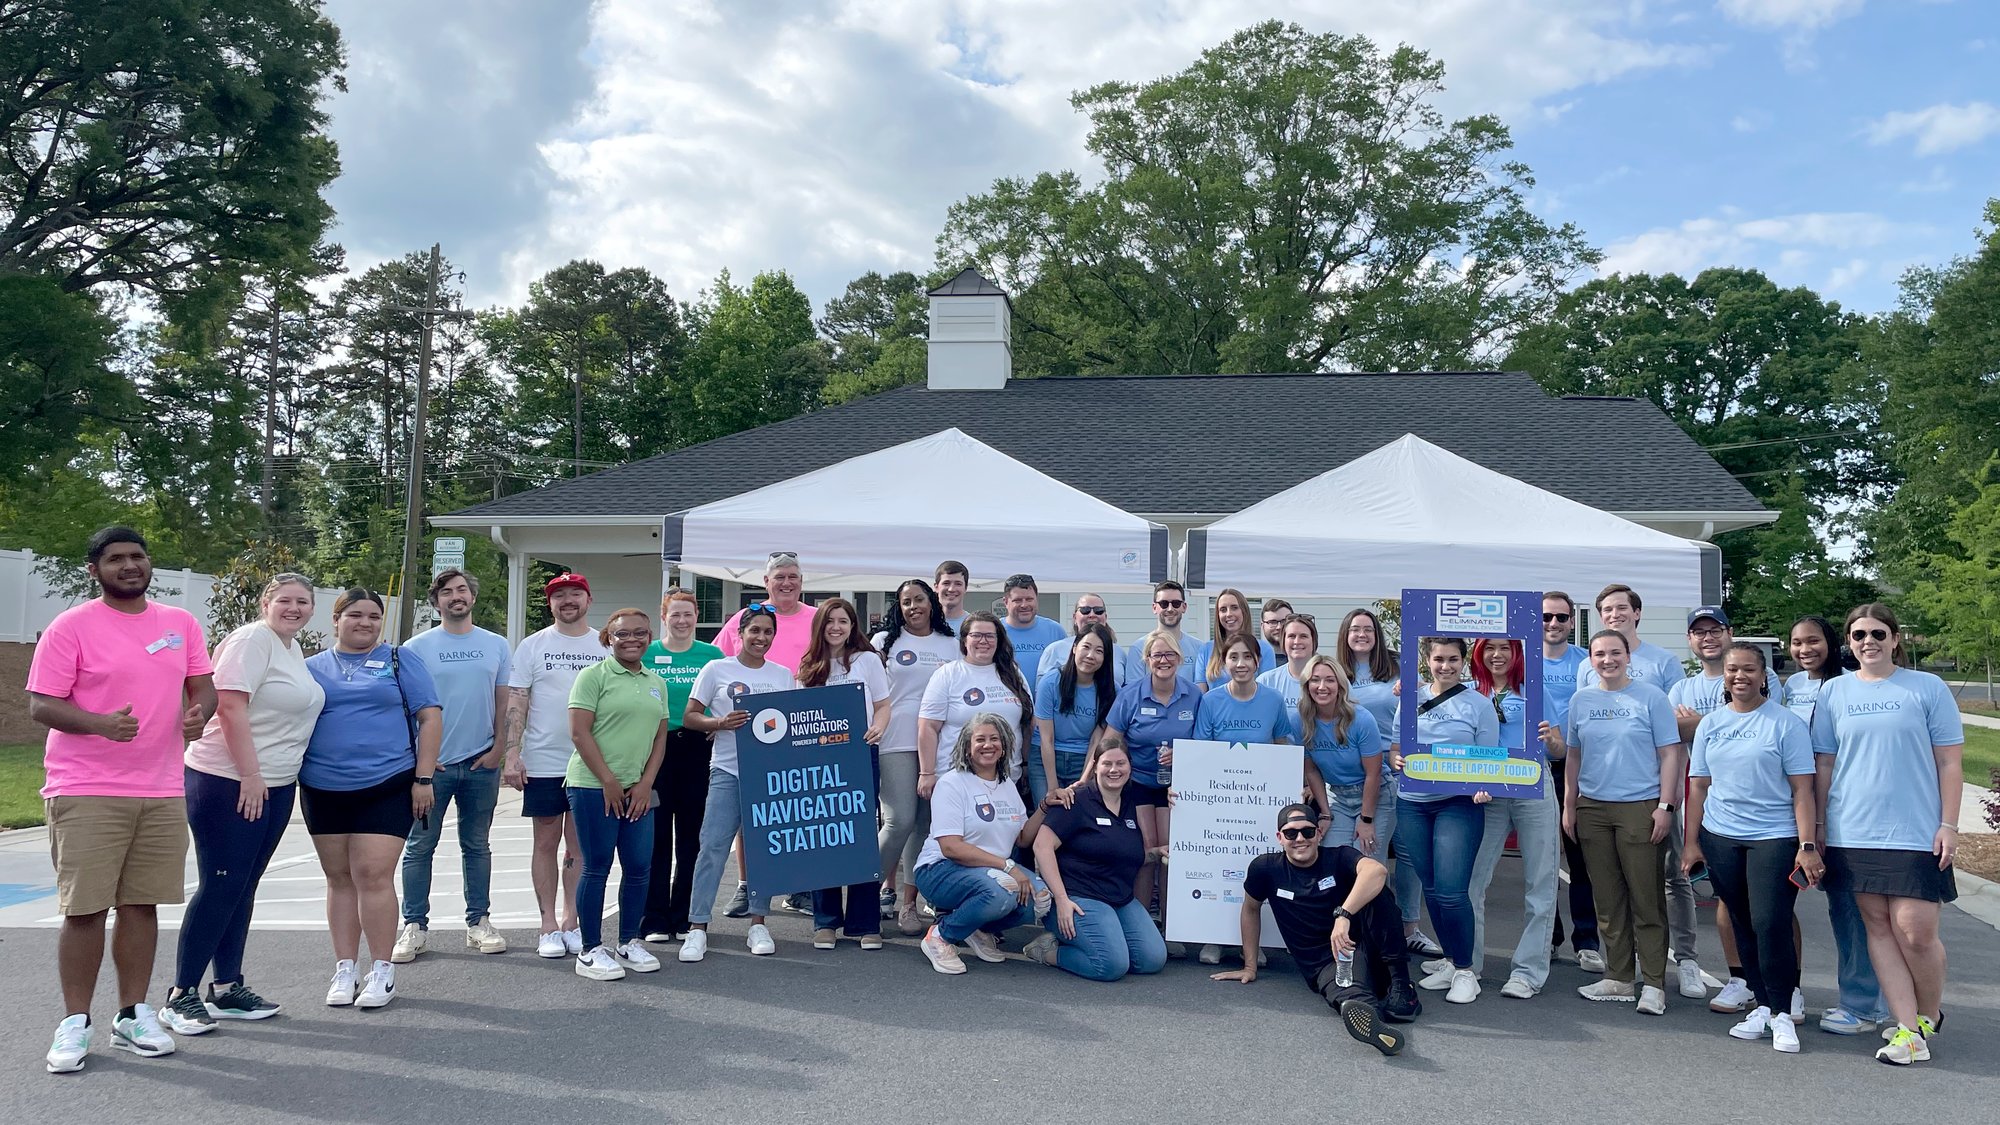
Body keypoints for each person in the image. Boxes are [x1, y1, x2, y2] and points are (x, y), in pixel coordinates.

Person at [28, 527, 217, 1072]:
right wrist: (98, 724)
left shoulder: (179, 624)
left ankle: (133, 1015)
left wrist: (199, 713)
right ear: (95, 570)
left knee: (141, 905)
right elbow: (42, 705)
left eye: (137, 556)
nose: (130, 565)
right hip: (85, 787)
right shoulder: (72, 627)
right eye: (116, 559)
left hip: (161, 788)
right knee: (84, 909)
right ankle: (74, 1025)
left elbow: (200, 685)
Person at [163, 573, 324, 1036]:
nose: (294, 608)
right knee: (221, 882)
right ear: (265, 602)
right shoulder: (252, 640)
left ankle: (228, 987)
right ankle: (181, 995)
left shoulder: (289, 648)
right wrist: (250, 776)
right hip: (227, 780)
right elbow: (230, 707)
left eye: (303, 601)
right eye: (285, 600)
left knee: (244, 884)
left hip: (275, 783)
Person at [1810, 604, 1964, 1066]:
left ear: (1895, 639)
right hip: (1852, 829)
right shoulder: (1835, 692)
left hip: (1916, 830)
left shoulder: (1927, 688)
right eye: (1858, 635)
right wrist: (1818, 827)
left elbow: (1949, 762)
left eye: (1878, 633)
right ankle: (1906, 1031)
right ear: (1849, 642)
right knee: (1876, 927)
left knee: (1915, 932)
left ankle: (1927, 1016)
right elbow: (1824, 764)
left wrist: (1949, 824)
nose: (1868, 642)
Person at [301, 589, 442, 1011]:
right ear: (336, 619)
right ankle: (346, 968)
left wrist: (424, 777)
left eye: (374, 616)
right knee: (338, 877)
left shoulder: (400, 660)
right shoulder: (309, 667)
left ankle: (382, 969)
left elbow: (430, 717)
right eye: (355, 615)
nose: (365, 622)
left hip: (387, 781)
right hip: (321, 785)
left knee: (372, 874)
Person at [1683, 643, 1819, 1053]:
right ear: (1723, 676)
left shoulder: (1786, 724)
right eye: (1731, 670)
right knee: (1741, 921)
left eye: (1747, 669)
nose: (1739, 676)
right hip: (1721, 835)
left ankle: (1782, 1014)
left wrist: (1807, 844)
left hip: (1774, 837)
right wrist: (1691, 842)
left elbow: (1802, 789)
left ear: (1763, 676)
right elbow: (1699, 786)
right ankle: (1761, 1006)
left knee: (1770, 922)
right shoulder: (1711, 724)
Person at [1210, 804, 1422, 1057]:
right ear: (1280, 838)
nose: (1300, 839)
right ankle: (1374, 1022)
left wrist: (1343, 916)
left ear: (1319, 834)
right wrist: (1250, 966)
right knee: (1351, 996)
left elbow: (1377, 871)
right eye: (1291, 834)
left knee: (1378, 894)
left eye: (1307, 832)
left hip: (1366, 946)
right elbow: (1250, 909)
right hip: (1327, 962)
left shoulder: (1339, 857)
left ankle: (1402, 987)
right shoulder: (1265, 868)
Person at [1548, 629, 1682, 1016]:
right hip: (1592, 808)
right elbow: (1573, 754)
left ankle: (1654, 982)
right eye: (1600, 654)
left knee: (1647, 897)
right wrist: (1570, 804)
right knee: (1606, 897)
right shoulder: (1581, 700)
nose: (1607, 660)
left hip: (1640, 806)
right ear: (1589, 659)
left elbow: (1669, 754)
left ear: (1627, 656)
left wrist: (1665, 806)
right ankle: (1620, 976)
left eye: (1615, 653)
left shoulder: (1651, 698)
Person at [1668, 606, 1786, 1005]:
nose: (1708, 638)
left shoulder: (1761, 678)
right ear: (1690, 640)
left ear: (1729, 634)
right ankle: (1740, 979)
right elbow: (1674, 729)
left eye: (1715, 630)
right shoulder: (1683, 687)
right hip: (1711, 803)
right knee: (1728, 899)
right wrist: (1715, 721)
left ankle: (1791, 987)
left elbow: (1764, 722)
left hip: (1766, 807)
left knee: (1773, 908)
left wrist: (1702, 721)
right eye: (1698, 632)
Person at [394, 569, 511, 963]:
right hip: (434, 768)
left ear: (473, 598)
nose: (456, 596)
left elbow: (502, 702)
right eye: (447, 592)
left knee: (476, 845)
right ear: (436, 601)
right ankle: (414, 926)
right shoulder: (416, 647)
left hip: (482, 764)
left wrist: (500, 750)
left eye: (462, 589)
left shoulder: (496, 645)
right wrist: (420, 762)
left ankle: (479, 922)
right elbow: (407, 708)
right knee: (419, 846)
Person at [678, 604, 799, 961]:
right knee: (712, 847)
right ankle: (698, 926)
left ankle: (758, 922)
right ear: (740, 634)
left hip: (766, 775)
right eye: (755, 631)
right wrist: (719, 723)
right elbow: (689, 716)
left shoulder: (782, 674)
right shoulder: (716, 669)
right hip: (727, 771)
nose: (761, 638)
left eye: (767, 632)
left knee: (763, 851)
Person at [1787, 614, 1889, 1036]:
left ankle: (1867, 1003)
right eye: (1796, 643)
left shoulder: (1849, 683)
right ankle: (1864, 998)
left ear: (1832, 642)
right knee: (1842, 909)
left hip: (1849, 808)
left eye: (1813, 641)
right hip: (1802, 804)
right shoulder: (1790, 687)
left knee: (1862, 912)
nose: (1804, 649)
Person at [1389, 637, 1499, 1005]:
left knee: (1452, 891)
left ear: (1464, 661)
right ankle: (1451, 961)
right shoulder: (1410, 699)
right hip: (1413, 804)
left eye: (1453, 659)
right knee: (1432, 888)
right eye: (1439, 659)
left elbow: (1490, 759)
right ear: (1427, 660)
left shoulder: (1480, 705)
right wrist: (1397, 761)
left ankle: (1468, 970)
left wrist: (1484, 786)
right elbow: (1395, 749)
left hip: (1458, 804)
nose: (1446, 666)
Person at [503, 572, 605, 958]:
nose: (567, 601)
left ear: (588, 600)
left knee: (579, 844)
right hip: (544, 760)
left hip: (590, 761)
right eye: (559, 595)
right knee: (545, 841)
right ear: (550, 603)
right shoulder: (532, 646)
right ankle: (547, 924)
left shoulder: (604, 646)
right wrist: (512, 753)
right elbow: (518, 701)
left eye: (575, 594)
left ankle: (570, 920)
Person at [566, 609, 670, 981]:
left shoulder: (656, 682)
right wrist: (609, 780)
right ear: (609, 637)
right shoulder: (593, 677)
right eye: (622, 634)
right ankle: (590, 949)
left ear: (648, 637)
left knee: (640, 867)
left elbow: (660, 738)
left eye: (640, 633)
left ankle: (628, 940)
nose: (632, 639)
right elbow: (579, 733)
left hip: (639, 789)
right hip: (594, 786)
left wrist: (644, 784)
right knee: (596, 867)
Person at [911, 714, 1055, 974]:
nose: (987, 745)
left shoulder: (1006, 785)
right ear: (967, 747)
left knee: (1040, 898)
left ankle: (974, 928)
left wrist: (1044, 806)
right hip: (940, 869)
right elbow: (951, 847)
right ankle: (940, 936)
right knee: (1002, 892)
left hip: (992, 871)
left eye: (994, 739)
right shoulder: (952, 783)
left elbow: (1022, 837)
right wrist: (1008, 866)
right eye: (980, 740)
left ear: (1004, 746)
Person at [1466, 636, 1562, 1001]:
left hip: (1532, 785)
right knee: (1473, 882)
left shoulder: (1533, 691)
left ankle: (1528, 971)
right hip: (1487, 793)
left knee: (1541, 883)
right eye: (1489, 648)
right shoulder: (1470, 692)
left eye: (1505, 648)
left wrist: (1551, 743)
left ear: (1516, 653)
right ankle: (1467, 965)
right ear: (1479, 653)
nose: (1497, 655)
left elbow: (1559, 746)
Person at [1022, 737, 1165, 981]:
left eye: (1120, 763)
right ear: (1095, 765)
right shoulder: (1076, 800)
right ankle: (1048, 951)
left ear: (1130, 766)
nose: (1114, 770)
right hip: (1079, 896)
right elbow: (1041, 846)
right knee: (1111, 965)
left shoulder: (1132, 801)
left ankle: (1102, 939)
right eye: (1107, 764)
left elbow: (1121, 853)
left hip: (1119, 898)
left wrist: (1156, 853)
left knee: (1152, 958)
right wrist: (1062, 899)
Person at [1337, 608, 1434, 959]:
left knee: (1407, 856)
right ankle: (1370, 929)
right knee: (1367, 856)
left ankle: (1410, 928)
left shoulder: (1396, 666)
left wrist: (1415, 689)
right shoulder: (1338, 673)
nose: (1361, 634)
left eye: (1368, 629)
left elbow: (1427, 703)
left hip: (1396, 770)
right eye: (1355, 629)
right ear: (1345, 635)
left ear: (1377, 634)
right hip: (1356, 776)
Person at [796, 598, 891, 951]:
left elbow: (882, 705)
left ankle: (866, 922)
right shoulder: (808, 666)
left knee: (861, 837)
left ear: (853, 626)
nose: (837, 627)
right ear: (820, 626)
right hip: (819, 760)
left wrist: (878, 728)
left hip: (859, 755)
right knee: (824, 837)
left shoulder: (867, 660)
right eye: (830, 621)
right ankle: (826, 921)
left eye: (844, 621)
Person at [1103, 629, 1203, 945]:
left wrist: (1184, 754)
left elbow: (1204, 742)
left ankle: (1172, 926)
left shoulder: (1194, 695)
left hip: (1179, 785)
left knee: (1171, 853)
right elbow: (1110, 739)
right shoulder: (1131, 694)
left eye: (1169, 654)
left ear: (1180, 659)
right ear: (1147, 660)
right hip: (1140, 782)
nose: (1163, 660)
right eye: (1157, 655)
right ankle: (1143, 925)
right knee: (1147, 851)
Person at [873, 579, 959, 936]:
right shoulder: (882, 643)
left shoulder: (952, 643)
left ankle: (909, 904)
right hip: (894, 740)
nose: (913, 607)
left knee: (924, 827)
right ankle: (863, 888)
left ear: (932, 602)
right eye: (906, 602)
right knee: (899, 821)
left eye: (919, 599)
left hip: (940, 745)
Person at [636, 587, 721, 944]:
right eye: (676, 614)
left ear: (697, 616)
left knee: (692, 839)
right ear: (664, 616)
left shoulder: (712, 655)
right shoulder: (648, 654)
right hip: (656, 749)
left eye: (688, 614)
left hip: (699, 750)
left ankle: (685, 915)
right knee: (656, 838)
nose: (682, 621)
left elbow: (723, 695)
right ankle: (653, 917)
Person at [1542, 592, 1602, 974]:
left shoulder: (1585, 661)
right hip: (1530, 768)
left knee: (1580, 859)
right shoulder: (1522, 659)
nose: (1553, 624)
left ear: (1571, 621)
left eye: (1561, 618)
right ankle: (1549, 937)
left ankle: (1587, 941)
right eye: (1546, 617)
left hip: (1577, 765)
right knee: (1543, 860)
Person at [918, 611, 1032, 786]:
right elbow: (928, 726)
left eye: (989, 636)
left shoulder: (1013, 674)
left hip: (1006, 779)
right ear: (964, 640)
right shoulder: (948, 674)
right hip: (956, 777)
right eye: (976, 635)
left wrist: (1025, 765)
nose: (983, 641)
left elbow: (1026, 725)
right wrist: (927, 773)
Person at [1295, 656, 1383, 856]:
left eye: (1330, 680)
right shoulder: (1301, 720)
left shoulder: (1361, 719)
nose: (1322, 686)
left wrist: (1366, 819)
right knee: (1333, 859)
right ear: (1307, 685)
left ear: (1340, 685)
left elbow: (1374, 774)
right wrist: (1325, 814)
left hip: (1374, 796)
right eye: (1315, 680)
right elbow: (1311, 771)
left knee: (1366, 860)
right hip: (1338, 797)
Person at [1000, 574, 1066, 803]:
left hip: (1043, 723)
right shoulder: (995, 630)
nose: (1024, 605)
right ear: (1006, 602)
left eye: (1029, 598)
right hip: (1006, 719)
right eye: (1017, 600)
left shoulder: (1055, 631)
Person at [1035, 623, 1117, 791]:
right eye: (1085, 647)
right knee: (1049, 814)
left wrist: (1084, 781)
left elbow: (1097, 740)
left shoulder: (1111, 690)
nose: (1090, 655)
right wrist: (1052, 788)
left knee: (1078, 811)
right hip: (1046, 759)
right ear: (1074, 648)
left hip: (1084, 759)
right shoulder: (1050, 682)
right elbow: (1046, 738)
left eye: (1099, 651)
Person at [718, 552, 818, 672]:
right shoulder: (745, 618)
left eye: (792, 577)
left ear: (801, 581)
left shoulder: (819, 618)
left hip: (810, 690)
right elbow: (714, 661)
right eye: (780, 577)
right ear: (766, 581)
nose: (786, 583)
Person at [1577, 584, 1687, 690]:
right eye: (1608, 610)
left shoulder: (1665, 660)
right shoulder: (1586, 665)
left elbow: (1678, 707)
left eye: (1622, 608)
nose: (1615, 615)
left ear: (1637, 613)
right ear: (1601, 617)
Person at [1193, 634, 1295, 745]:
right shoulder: (1209, 701)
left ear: (1258, 660)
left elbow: (1281, 745)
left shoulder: (1275, 700)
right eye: (1233, 658)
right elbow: (1202, 747)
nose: (1240, 664)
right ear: (1224, 661)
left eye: (1248, 657)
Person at [1036, 592, 1131, 687]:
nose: (1092, 615)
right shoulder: (1054, 650)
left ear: (1105, 618)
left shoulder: (1119, 653)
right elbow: (1041, 689)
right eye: (1085, 610)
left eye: (1099, 610)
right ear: (1075, 618)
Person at [1193, 588, 1276, 690]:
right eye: (1223, 610)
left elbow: (1266, 691)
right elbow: (1200, 693)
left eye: (1234, 608)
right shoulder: (1205, 650)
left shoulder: (1264, 649)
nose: (1229, 614)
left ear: (1244, 611)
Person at [1129, 581, 1196, 685]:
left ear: (1184, 607)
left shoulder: (1199, 648)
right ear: (1154, 608)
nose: (1170, 609)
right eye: (1164, 604)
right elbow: (1133, 691)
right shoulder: (1138, 648)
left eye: (1176, 603)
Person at [1256, 612, 1318, 709]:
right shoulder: (1266, 682)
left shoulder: (1331, 679)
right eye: (1291, 636)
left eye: (1303, 636)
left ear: (1314, 641)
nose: (1297, 641)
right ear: (1283, 641)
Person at [934, 560, 971, 634]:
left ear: (966, 588)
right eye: (946, 583)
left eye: (958, 584)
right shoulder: (925, 624)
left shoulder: (973, 625)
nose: (951, 589)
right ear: (936, 587)